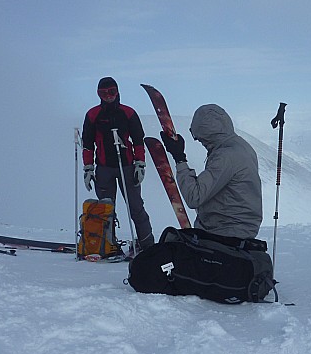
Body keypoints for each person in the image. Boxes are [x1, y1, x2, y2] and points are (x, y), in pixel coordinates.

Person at [161, 104, 263, 240]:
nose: (202, 143)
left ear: (209, 134)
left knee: (169, 246)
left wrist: (180, 158)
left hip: (227, 231)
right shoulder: (240, 146)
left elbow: (194, 197)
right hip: (237, 227)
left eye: (201, 139)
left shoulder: (225, 155)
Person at [82, 77, 154, 251]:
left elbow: (138, 140)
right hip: (104, 169)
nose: (108, 96)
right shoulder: (93, 115)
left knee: (136, 207)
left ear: (118, 91)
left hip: (127, 167)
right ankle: (107, 245)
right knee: (106, 210)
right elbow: (87, 143)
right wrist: (88, 168)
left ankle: (148, 246)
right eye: (103, 93)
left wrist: (140, 164)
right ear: (98, 94)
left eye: (112, 92)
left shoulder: (128, 113)